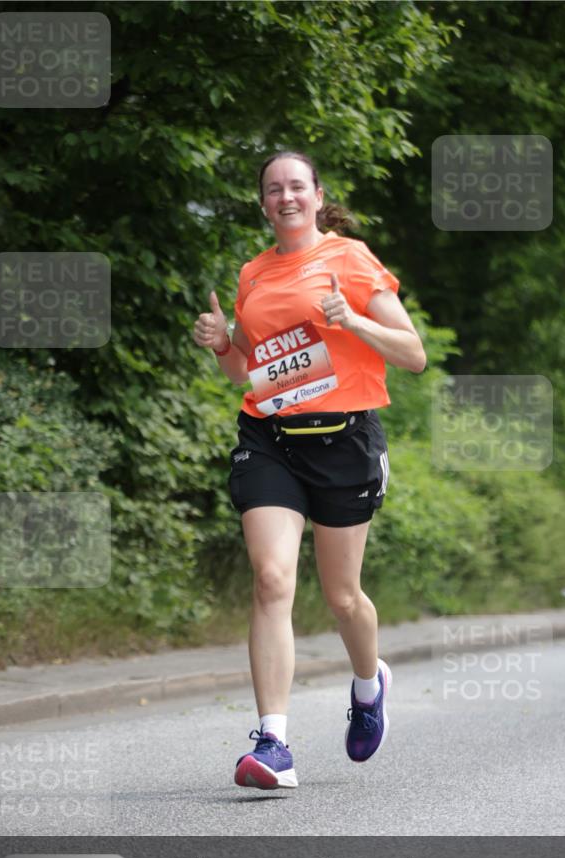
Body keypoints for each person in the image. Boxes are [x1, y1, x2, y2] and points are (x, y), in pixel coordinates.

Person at [193, 151, 426, 789]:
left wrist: (353, 320)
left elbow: (413, 355)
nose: (287, 196)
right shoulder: (254, 272)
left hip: (345, 441)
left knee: (342, 596)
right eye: (274, 189)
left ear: (318, 196)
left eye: (298, 186)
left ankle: (368, 682)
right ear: (264, 202)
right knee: (271, 580)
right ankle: (273, 744)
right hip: (269, 438)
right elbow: (246, 371)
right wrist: (223, 342)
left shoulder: (351, 259)